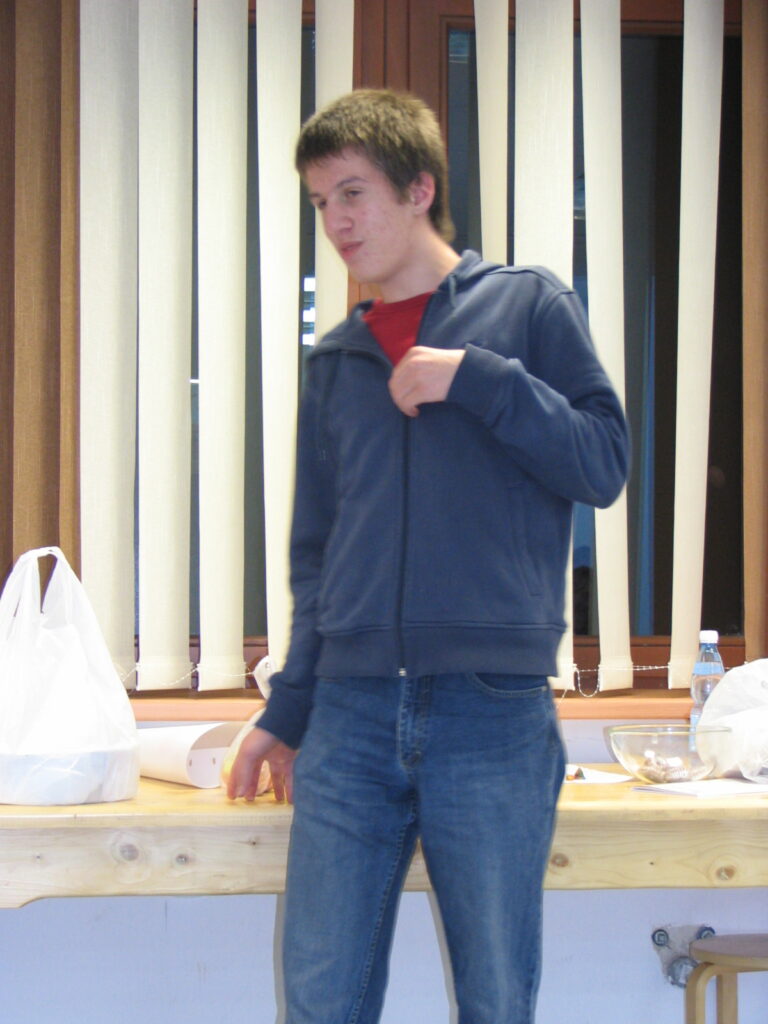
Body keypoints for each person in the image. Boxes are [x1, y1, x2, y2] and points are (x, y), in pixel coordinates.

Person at [227, 88, 629, 1023]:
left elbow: (604, 463)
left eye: (353, 193)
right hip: (351, 716)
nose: (336, 221)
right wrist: (289, 710)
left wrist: (483, 381)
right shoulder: (335, 362)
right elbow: (317, 561)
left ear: (420, 189)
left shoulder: (528, 307)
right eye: (320, 201)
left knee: (495, 998)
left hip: (492, 711)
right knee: (320, 1001)